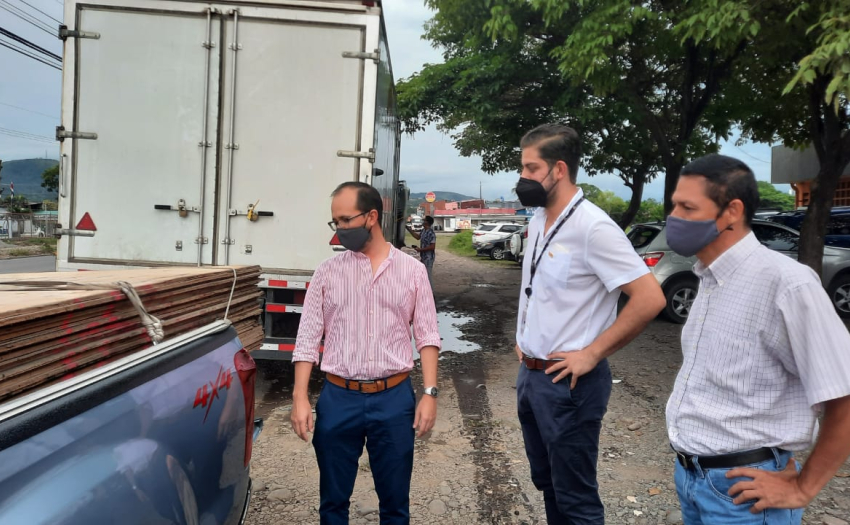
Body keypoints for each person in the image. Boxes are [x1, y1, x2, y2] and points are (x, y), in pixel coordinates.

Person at [664, 154, 850, 524]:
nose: (674, 218)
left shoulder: (787, 284)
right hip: (693, 480)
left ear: (731, 210)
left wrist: (802, 488)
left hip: (743, 494)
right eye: (674, 206)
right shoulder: (709, 278)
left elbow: (843, 395)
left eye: (687, 207)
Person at [513, 123, 666, 524]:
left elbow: (650, 298)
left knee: (576, 497)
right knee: (547, 483)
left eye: (531, 168)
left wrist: (592, 353)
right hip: (532, 376)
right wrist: (524, 338)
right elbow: (537, 290)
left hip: (570, 385)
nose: (522, 178)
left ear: (558, 169)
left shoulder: (593, 227)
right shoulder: (536, 221)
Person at [290, 182, 441, 525]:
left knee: (395, 505)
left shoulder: (412, 271)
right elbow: (308, 337)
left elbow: (428, 334)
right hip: (338, 398)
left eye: (345, 220)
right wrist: (300, 396)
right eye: (336, 222)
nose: (340, 229)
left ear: (371, 217)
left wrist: (430, 393)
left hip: (393, 399)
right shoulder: (328, 272)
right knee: (332, 503)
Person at [407, 215, 437, 286]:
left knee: (428, 276)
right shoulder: (424, 231)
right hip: (423, 257)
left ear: (427, 222)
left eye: (424, 220)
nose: (423, 221)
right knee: (423, 275)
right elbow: (418, 237)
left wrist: (420, 250)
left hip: (429, 258)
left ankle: (431, 294)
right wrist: (409, 230)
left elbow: (432, 247)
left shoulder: (431, 233)